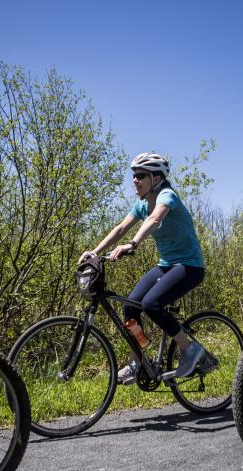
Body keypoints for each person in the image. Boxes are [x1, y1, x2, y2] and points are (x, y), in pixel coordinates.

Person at [78, 152, 207, 385]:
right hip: (167, 265)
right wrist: (95, 252)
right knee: (131, 306)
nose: (135, 180)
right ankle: (138, 362)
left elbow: (155, 220)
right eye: (134, 176)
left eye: (140, 176)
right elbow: (120, 229)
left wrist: (132, 244)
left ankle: (190, 349)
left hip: (189, 265)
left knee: (152, 305)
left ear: (156, 178)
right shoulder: (141, 204)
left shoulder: (167, 196)